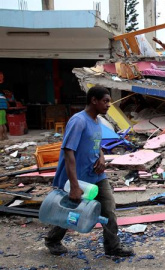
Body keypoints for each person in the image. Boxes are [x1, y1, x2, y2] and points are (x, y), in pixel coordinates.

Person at [45, 86, 134, 257]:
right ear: (94, 100)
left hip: (96, 176)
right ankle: (52, 240)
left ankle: (112, 247)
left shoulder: (97, 121)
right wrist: (74, 185)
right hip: (77, 178)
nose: (109, 105)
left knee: (108, 210)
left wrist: (101, 157)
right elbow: (68, 151)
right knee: (68, 211)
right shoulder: (78, 121)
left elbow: (96, 145)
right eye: (105, 101)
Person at [0, 72, 9, 141]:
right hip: (3, 110)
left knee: (0, 125)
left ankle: (1, 137)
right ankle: (5, 136)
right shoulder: (3, 96)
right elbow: (7, 103)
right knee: (3, 124)